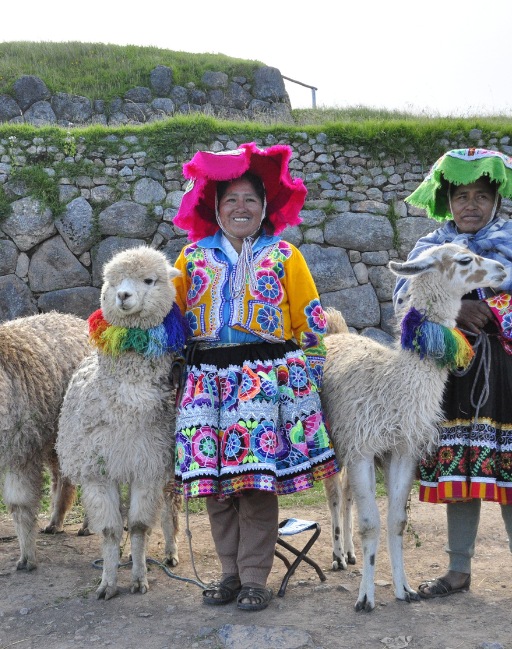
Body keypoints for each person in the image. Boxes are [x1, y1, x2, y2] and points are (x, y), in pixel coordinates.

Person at [394, 149, 512, 608]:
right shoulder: (431, 249)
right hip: (455, 374)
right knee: (462, 470)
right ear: (447, 202)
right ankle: (458, 570)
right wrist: (456, 311)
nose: (470, 204)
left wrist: (489, 307)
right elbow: (408, 300)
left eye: (480, 195)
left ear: (496, 200)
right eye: (461, 196)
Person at [171, 142, 339, 611]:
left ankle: (253, 579)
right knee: (215, 483)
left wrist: (311, 381)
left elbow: (310, 320)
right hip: (207, 380)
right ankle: (227, 573)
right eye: (231, 200)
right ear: (216, 209)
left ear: (264, 207)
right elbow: (171, 320)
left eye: (250, 199)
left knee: (253, 482)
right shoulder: (191, 259)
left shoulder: (285, 255)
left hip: (264, 381)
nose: (241, 208)